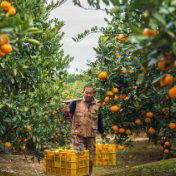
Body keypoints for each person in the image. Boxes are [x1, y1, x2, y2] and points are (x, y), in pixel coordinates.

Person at [63, 83, 106, 176]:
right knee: (81, 156)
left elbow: (99, 120)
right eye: (87, 92)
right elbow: (67, 116)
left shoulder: (99, 105)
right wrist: (66, 112)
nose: (89, 95)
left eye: (91, 93)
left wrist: (102, 132)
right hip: (78, 134)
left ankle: (87, 175)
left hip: (91, 135)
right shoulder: (76, 102)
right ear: (83, 92)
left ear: (94, 93)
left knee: (90, 159)